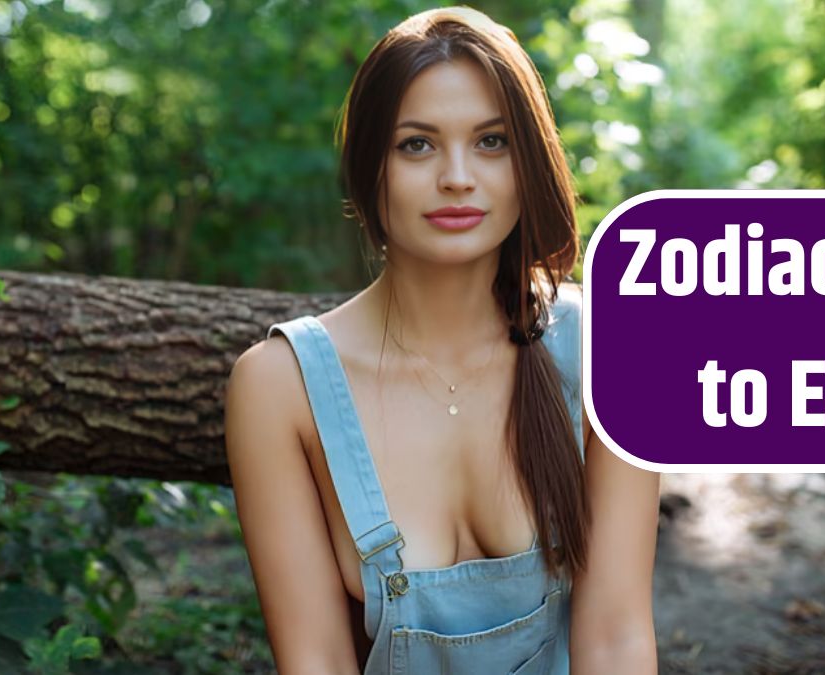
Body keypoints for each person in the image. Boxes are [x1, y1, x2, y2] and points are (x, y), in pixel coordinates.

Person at [224, 7, 659, 673]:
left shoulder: (612, 348)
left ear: (528, 162)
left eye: (491, 141)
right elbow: (316, 662)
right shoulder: (278, 387)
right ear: (370, 167)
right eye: (417, 144)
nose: (457, 176)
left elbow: (617, 637)